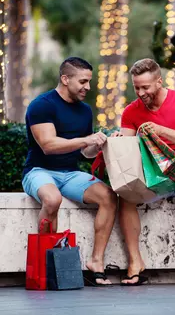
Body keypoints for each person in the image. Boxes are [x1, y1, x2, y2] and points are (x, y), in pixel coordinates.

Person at [113, 58, 175, 287]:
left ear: (159, 81)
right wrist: (119, 141)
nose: (140, 92)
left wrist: (160, 131)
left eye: (145, 87)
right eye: (136, 87)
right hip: (152, 172)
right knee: (125, 198)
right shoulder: (131, 111)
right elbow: (127, 149)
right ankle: (135, 264)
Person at [22, 57, 117, 286]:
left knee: (108, 197)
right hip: (39, 170)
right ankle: (48, 265)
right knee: (52, 199)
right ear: (65, 79)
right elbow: (48, 145)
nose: (88, 87)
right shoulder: (42, 105)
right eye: (83, 81)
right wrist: (85, 139)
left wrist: (101, 143)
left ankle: (96, 262)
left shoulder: (85, 110)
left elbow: (85, 153)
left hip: (70, 174)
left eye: (89, 81)